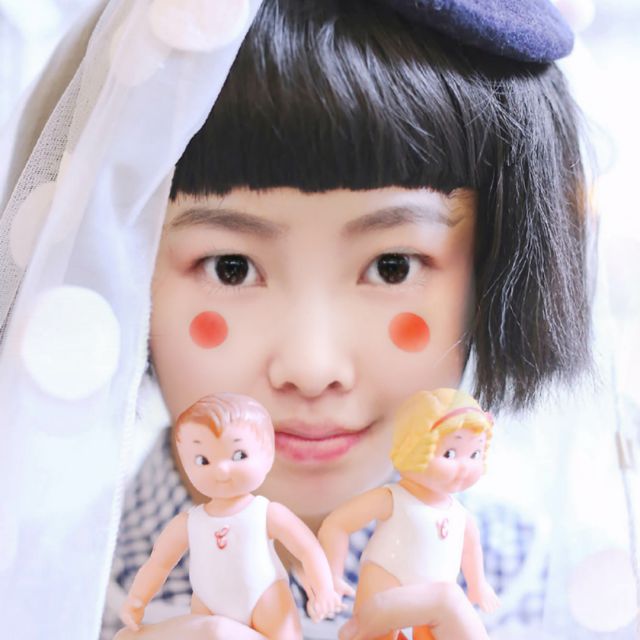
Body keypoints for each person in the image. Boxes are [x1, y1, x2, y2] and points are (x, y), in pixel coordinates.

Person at [3, 1, 621, 639]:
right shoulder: (31, 587)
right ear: (120, 266)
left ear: (492, 267)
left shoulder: (555, 596)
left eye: (392, 267)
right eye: (231, 268)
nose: (311, 367)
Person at [120, 393, 343, 638]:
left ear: (268, 455)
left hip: (265, 597)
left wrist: (324, 589)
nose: (221, 469)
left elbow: (308, 549)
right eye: (202, 460)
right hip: (208, 603)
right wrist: (137, 599)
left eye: (239, 455)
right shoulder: (188, 523)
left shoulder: (265, 513)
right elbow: (158, 563)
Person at [319, 389, 500, 640]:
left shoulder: (461, 516)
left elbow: (471, 550)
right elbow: (337, 524)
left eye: (475, 454)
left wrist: (478, 584)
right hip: (386, 587)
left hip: (435, 608)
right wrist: (332, 574)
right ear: (414, 447)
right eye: (449, 453)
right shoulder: (393, 498)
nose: (464, 467)